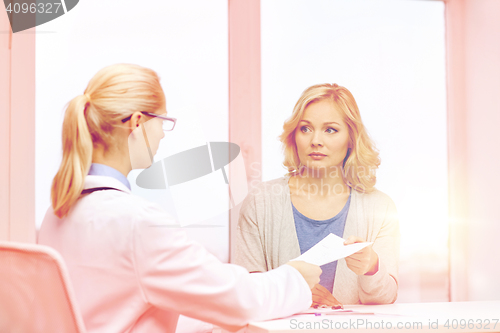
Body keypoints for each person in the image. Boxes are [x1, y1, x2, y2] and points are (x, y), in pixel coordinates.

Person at [37, 64, 322, 333]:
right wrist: (296, 278)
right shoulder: (137, 223)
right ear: (138, 123)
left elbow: (123, 303)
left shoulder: (58, 212)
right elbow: (239, 299)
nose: (162, 133)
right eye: (162, 121)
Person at [235, 83, 400, 307]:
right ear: (294, 136)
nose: (315, 141)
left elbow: (386, 299)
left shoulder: (380, 208)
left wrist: (371, 267)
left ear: (351, 138)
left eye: (330, 129)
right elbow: (247, 294)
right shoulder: (260, 203)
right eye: (305, 128)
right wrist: (294, 295)